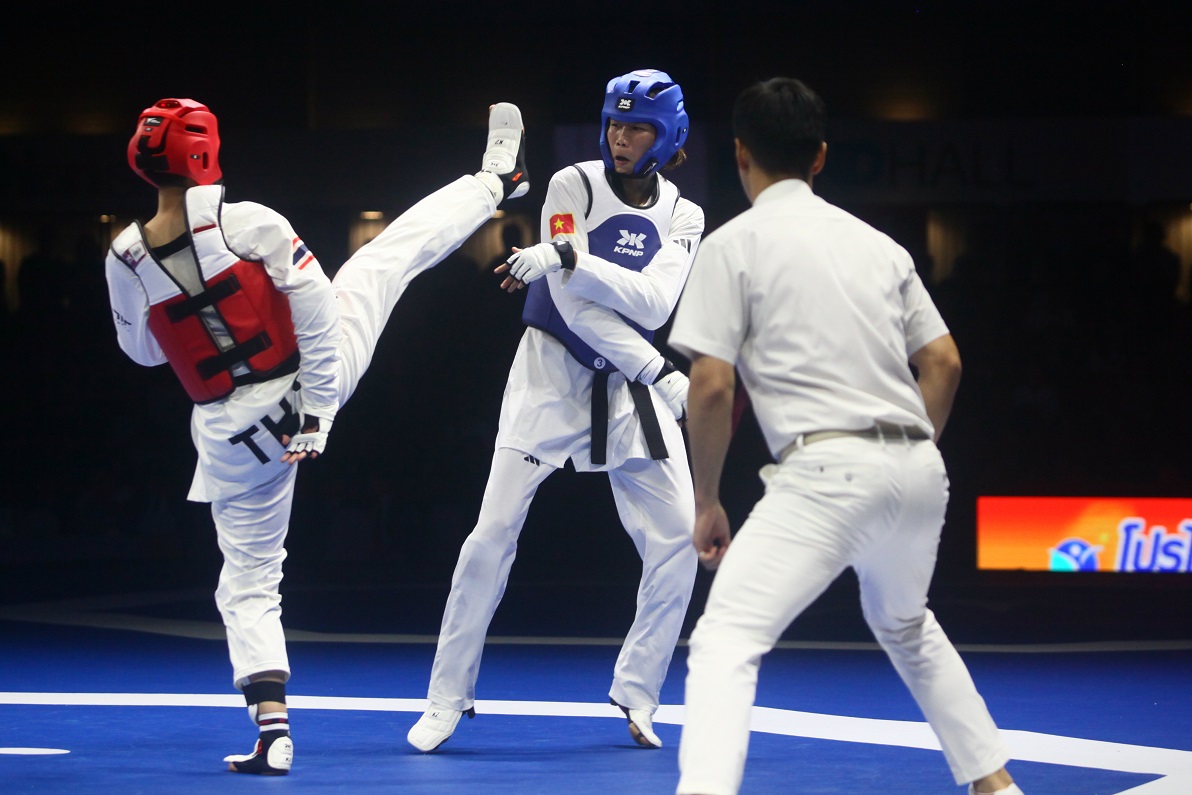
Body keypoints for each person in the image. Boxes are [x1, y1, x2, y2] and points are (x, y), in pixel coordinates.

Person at [104, 97, 529, 775]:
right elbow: (311, 303)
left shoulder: (125, 256)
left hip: (230, 431)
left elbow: (144, 353)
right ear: (206, 154)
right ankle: (496, 182)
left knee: (246, 580)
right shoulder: (247, 223)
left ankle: (273, 729)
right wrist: (320, 408)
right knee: (380, 263)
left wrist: (199, 326)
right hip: (300, 384)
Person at [668, 78, 1023, 795]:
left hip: (826, 470)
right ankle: (997, 786)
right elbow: (945, 363)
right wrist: (909, 454)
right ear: (821, 157)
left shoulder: (732, 244)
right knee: (906, 623)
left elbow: (710, 385)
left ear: (740, 154)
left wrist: (706, 498)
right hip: (920, 464)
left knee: (726, 637)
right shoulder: (879, 246)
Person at [407, 68, 703, 753]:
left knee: (678, 538)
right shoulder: (573, 183)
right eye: (615, 124)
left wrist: (568, 254)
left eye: (638, 128)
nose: (621, 138)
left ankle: (638, 693)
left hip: (630, 395)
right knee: (490, 536)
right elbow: (573, 308)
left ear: (670, 135)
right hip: (550, 377)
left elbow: (657, 304)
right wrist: (659, 367)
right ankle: (447, 698)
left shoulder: (684, 214)